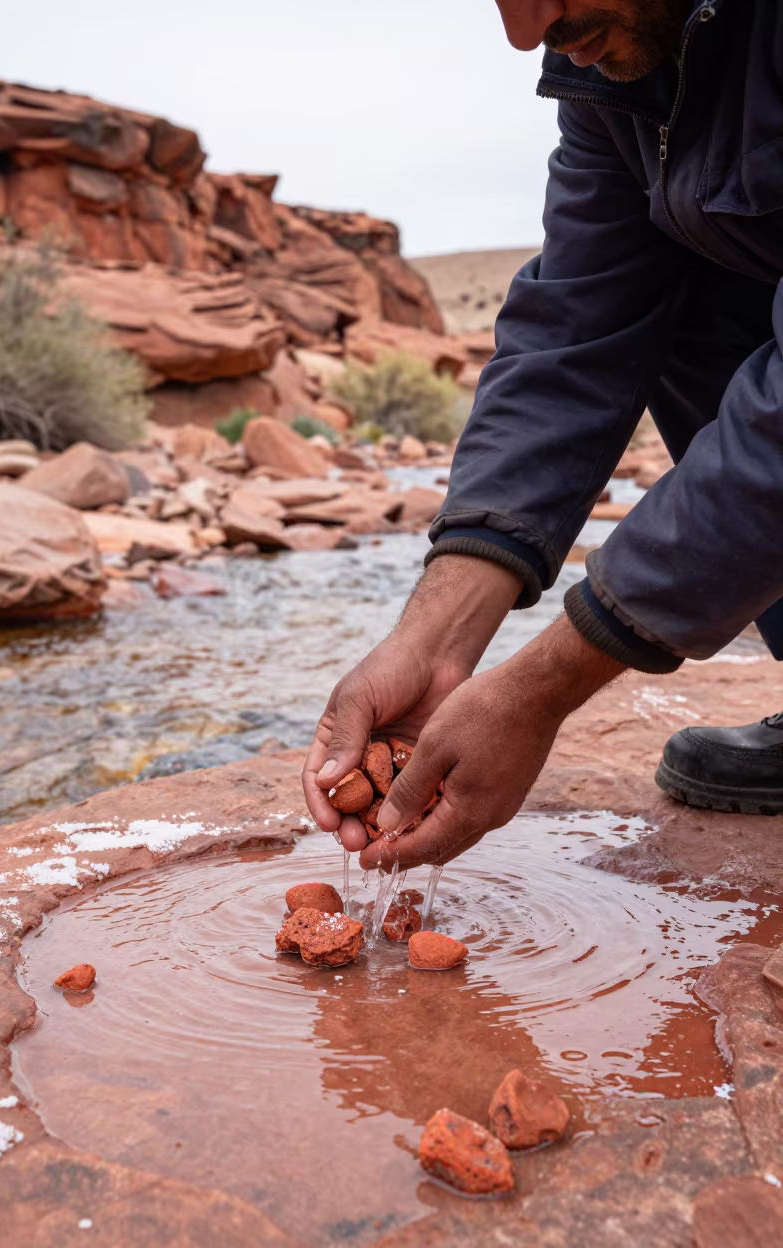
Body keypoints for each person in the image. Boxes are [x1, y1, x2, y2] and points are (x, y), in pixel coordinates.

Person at [303, 0, 783, 871]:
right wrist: (436, 644)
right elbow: (576, 332)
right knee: (683, 296)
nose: (528, 31)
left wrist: (544, 685)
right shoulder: (618, 69)